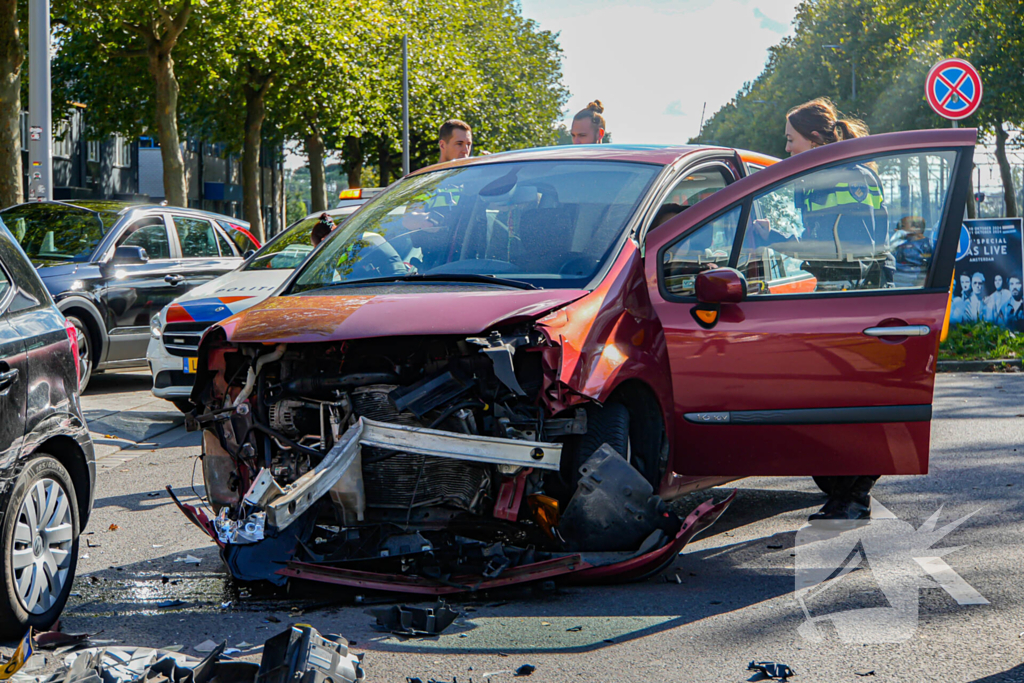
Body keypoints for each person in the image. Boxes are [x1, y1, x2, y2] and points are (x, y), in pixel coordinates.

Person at [772, 98, 885, 522]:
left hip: (849, 297)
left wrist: (776, 239)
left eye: (791, 140)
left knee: (834, 401)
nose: (787, 150)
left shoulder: (837, 178)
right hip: (849, 293)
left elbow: (841, 249)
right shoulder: (842, 173)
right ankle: (846, 495)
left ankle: (851, 495)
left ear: (815, 139)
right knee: (837, 400)